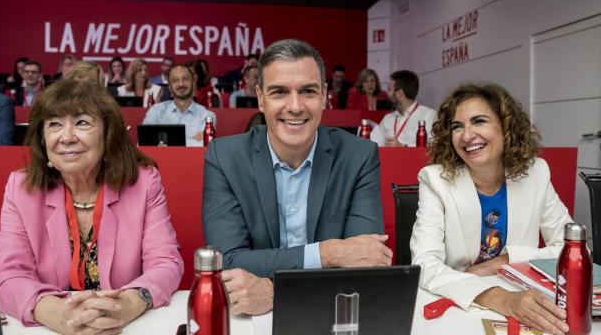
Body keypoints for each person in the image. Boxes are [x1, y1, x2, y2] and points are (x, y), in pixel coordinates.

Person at [203, 39, 392, 316]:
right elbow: (228, 261)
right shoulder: (225, 157)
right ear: (260, 97)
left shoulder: (358, 156)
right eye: (279, 92)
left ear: (324, 95)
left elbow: (365, 264)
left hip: (332, 315)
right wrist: (330, 253)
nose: (295, 106)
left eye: (308, 91)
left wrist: (276, 292)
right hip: (252, 319)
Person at [0, 79, 184, 334]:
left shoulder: (143, 183)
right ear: (42, 139)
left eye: (82, 122)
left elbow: (165, 262)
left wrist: (126, 304)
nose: (67, 137)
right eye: (54, 124)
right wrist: (56, 313)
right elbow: (8, 274)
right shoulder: (21, 188)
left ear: (108, 134)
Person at [410, 83, 573, 335]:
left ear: (506, 128)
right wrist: (500, 298)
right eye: (457, 126)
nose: (466, 135)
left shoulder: (536, 173)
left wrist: (508, 260)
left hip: (524, 301)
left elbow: (570, 249)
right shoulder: (435, 180)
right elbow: (424, 263)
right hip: (462, 303)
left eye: (479, 121)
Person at [143, 65, 216, 147]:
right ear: (169, 87)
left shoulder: (207, 116)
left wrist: (162, 140)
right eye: (175, 80)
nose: (181, 84)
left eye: (185, 79)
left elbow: (204, 147)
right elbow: (144, 143)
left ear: (193, 83)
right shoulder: (156, 111)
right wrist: (191, 140)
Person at [370, 70, 436, 147]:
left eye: (389, 89)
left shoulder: (429, 115)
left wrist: (404, 147)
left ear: (399, 93)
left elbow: (434, 146)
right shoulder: (387, 119)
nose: (387, 94)